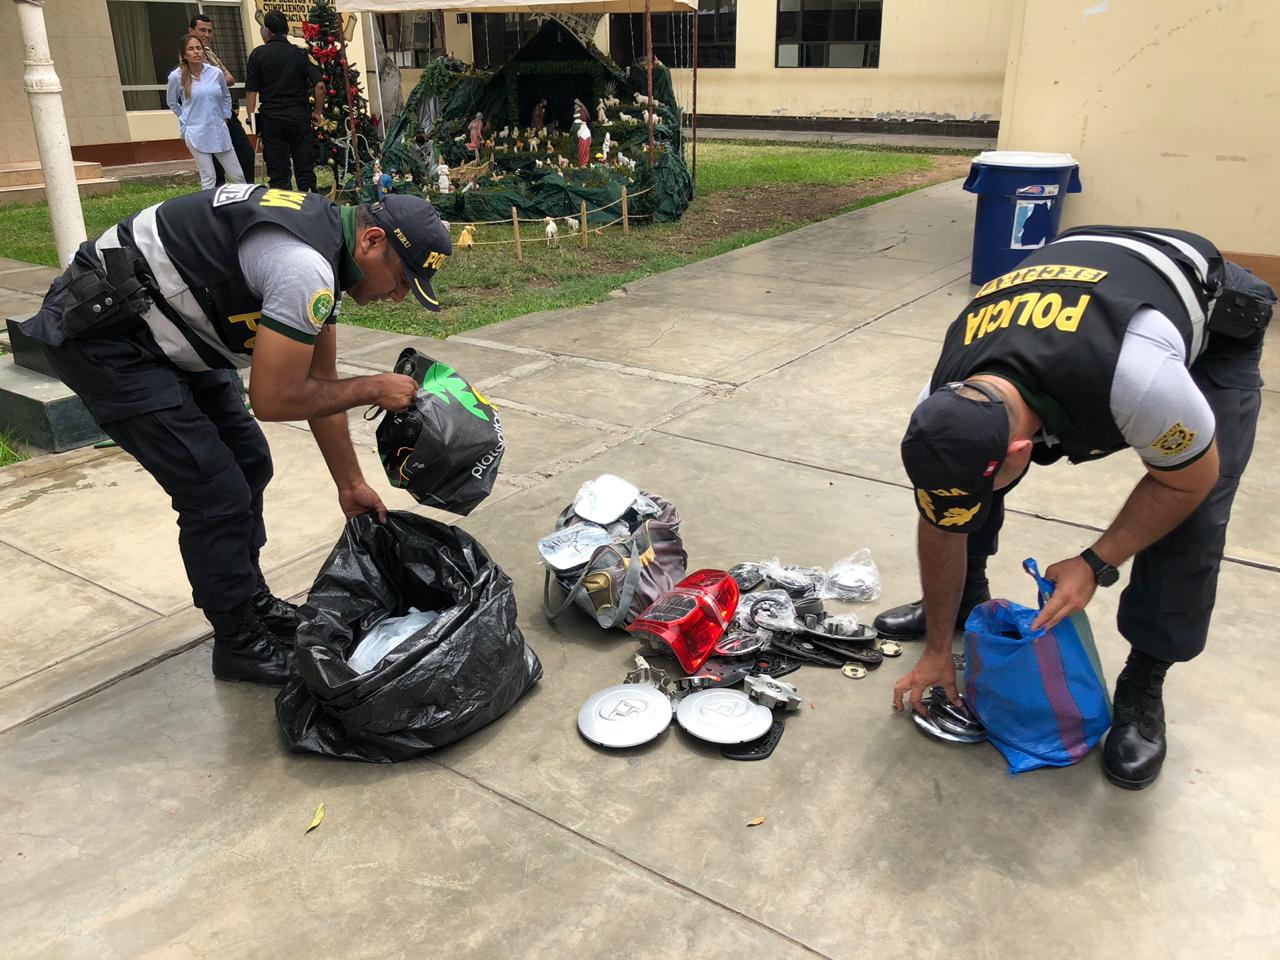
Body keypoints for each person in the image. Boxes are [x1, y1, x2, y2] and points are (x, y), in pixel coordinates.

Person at [879, 226, 1273, 789]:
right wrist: (940, 646)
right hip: (1077, 286)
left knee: (1196, 513)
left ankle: (1144, 682)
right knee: (968, 482)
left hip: (1210, 316)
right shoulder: (945, 393)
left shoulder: (1137, 380)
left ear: (1024, 449)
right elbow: (943, 514)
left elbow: (1186, 483)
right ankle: (965, 602)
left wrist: (1095, 562)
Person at [19, 186, 452, 686]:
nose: (397, 297)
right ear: (372, 241)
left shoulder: (325, 251)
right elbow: (273, 399)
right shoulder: (304, 267)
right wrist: (373, 388)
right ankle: (237, 642)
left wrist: (349, 483)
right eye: (401, 280)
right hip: (108, 337)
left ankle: (251, 603)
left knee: (249, 461)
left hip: (168, 326)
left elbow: (321, 382)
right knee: (214, 492)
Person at [245, 9, 324, 192]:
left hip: (271, 120)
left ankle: (282, 211)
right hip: (298, 117)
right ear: (287, 30)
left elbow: (251, 91)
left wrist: (251, 119)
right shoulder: (300, 54)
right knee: (304, 169)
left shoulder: (257, 55)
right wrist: (318, 112)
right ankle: (309, 208)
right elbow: (319, 85)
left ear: (268, 31)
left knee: (278, 173)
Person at [167, 34, 244, 191]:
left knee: (238, 176)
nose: (196, 52)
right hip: (196, 133)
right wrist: (185, 120)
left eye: (198, 48)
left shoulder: (215, 73)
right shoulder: (176, 76)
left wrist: (225, 117)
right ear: (184, 55)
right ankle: (209, 211)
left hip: (219, 130)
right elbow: (172, 102)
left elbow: (225, 96)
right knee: (209, 177)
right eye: (191, 49)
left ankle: (244, 208)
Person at [189, 13, 256, 186]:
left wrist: (215, 79)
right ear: (191, 31)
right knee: (213, 164)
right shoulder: (188, 56)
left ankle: (246, 193)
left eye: (210, 31)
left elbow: (230, 79)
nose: (206, 35)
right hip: (203, 118)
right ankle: (216, 201)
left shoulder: (209, 52)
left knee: (245, 152)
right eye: (202, 30)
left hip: (225, 114)